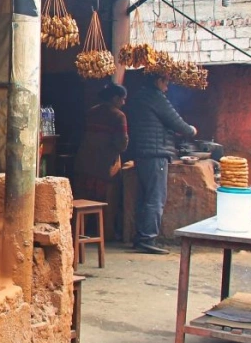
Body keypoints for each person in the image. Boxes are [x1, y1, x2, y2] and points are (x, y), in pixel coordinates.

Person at [125, 72, 197, 254]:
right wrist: (192, 130)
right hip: (155, 154)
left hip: (141, 153)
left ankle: (141, 237)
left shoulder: (138, 97)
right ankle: (148, 239)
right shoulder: (156, 97)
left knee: (144, 198)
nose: (167, 88)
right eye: (166, 83)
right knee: (156, 199)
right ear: (158, 81)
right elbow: (177, 123)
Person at [73, 83, 129, 203]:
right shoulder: (119, 116)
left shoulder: (91, 112)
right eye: (123, 99)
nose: (124, 103)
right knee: (107, 207)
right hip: (105, 169)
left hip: (84, 166)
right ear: (115, 98)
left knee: (85, 203)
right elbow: (122, 144)